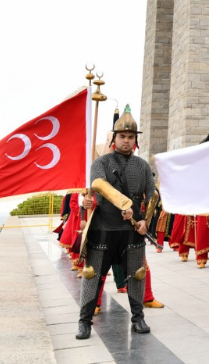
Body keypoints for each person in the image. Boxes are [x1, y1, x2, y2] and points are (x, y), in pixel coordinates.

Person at [76, 106, 156, 340]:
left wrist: (145, 222)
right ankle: (84, 321)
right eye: (122, 136)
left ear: (135, 140)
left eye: (131, 138)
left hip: (132, 232)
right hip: (103, 229)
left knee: (137, 274)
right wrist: (123, 203)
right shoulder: (100, 163)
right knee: (92, 275)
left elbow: (152, 197)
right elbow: (99, 185)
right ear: (114, 138)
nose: (126, 141)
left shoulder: (142, 166)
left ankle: (138, 318)